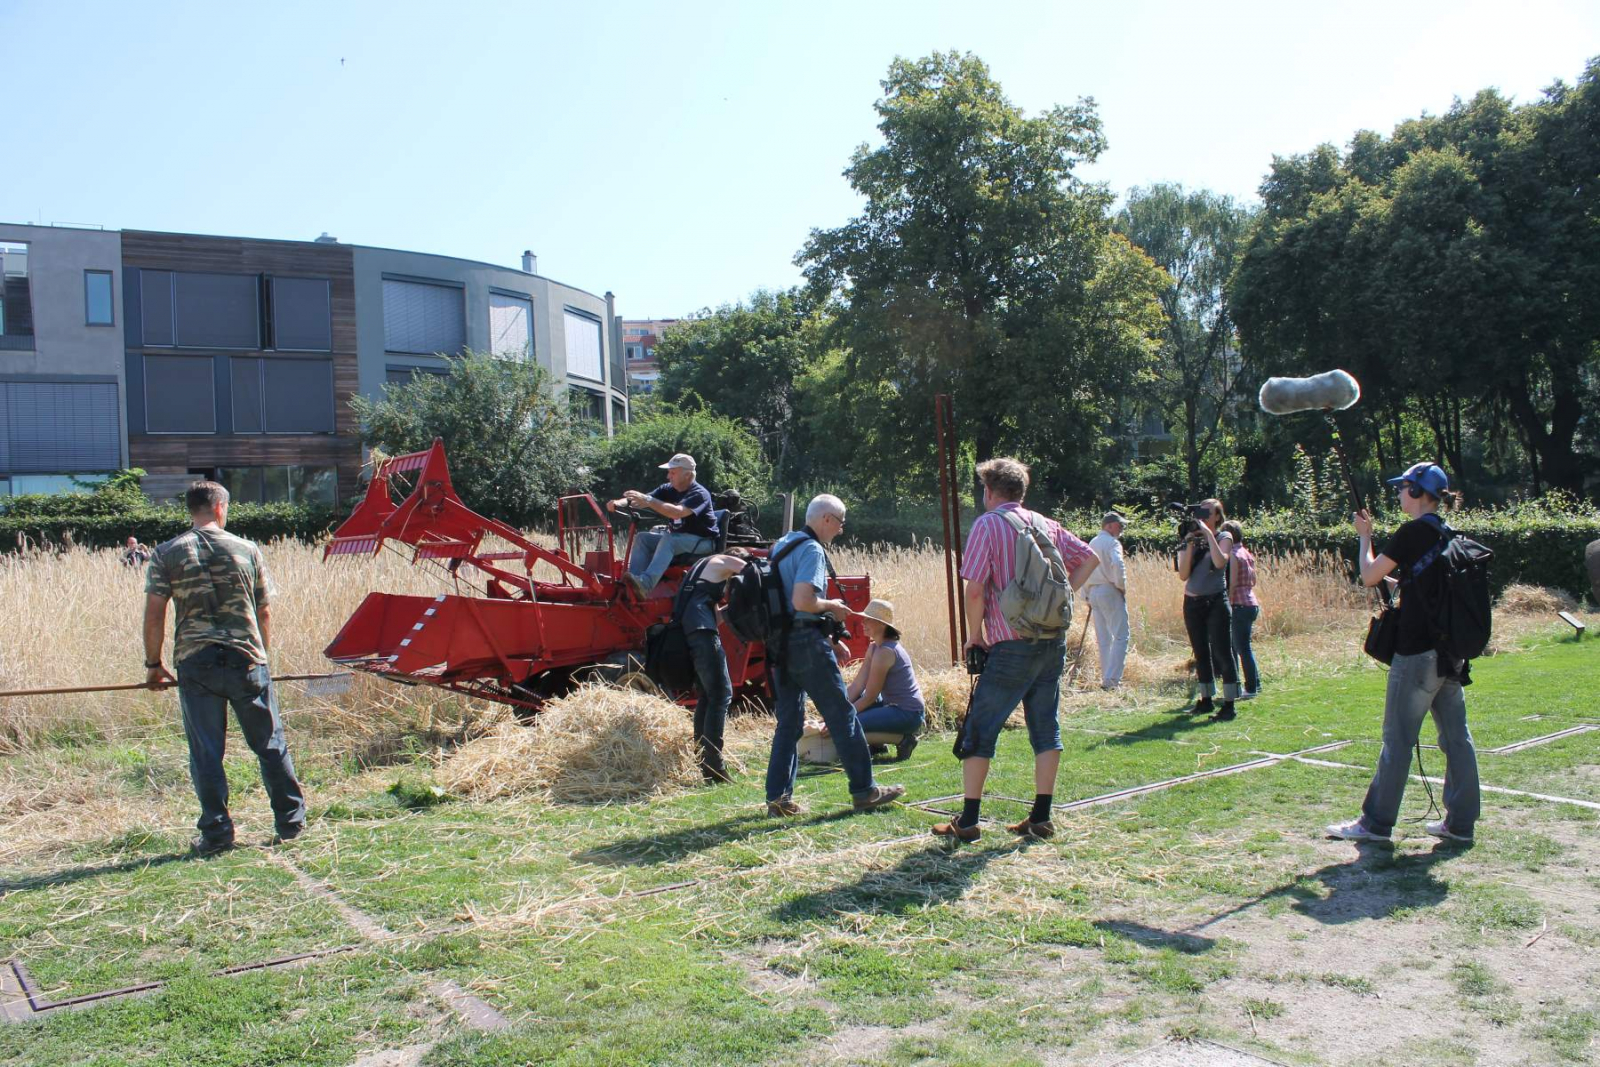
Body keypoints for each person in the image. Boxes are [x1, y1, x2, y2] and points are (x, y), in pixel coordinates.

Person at [934, 458, 1098, 843]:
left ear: (989, 491)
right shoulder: (1045, 524)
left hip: (1009, 643)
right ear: (1021, 491)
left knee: (980, 728)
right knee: (1046, 727)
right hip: (1051, 640)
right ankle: (1041, 817)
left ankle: (969, 821)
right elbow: (1090, 558)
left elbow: (974, 589)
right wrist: (1058, 601)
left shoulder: (988, 524)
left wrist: (975, 635)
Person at [142, 481, 306, 854]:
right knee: (269, 744)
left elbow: (155, 613)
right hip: (245, 659)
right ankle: (291, 823)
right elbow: (264, 609)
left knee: (206, 751)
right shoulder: (247, 549)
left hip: (196, 663)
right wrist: (261, 655)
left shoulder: (166, 552)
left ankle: (217, 834)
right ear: (219, 507)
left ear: (192, 509)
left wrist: (154, 664)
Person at [1327, 462, 1480, 844]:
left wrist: (1365, 538)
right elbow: (1420, 582)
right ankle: (1460, 823)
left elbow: (1368, 576)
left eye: (1403, 488)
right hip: (1449, 655)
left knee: (1397, 739)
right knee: (1456, 738)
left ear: (1416, 492)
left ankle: (1375, 823)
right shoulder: (1445, 532)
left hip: (1416, 654)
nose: (1398, 494)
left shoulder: (1411, 532)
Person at [765, 494, 905, 817]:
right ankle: (865, 791)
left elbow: (786, 607)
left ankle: (778, 799)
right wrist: (834, 607)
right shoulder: (812, 549)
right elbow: (803, 601)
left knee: (788, 723)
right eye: (840, 523)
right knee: (842, 715)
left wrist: (826, 635)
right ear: (826, 519)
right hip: (805, 646)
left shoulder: (782, 544)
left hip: (780, 646)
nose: (840, 531)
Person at [672, 548, 751, 783]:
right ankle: (714, 766)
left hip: (691, 631)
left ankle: (702, 759)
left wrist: (730, 608)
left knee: (707, 695)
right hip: (702, 633)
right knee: (721, 694)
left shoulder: (702, 571)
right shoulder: (723, 560)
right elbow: (751, 571)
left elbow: (716, 617)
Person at [606, 453, 720, 597]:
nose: (668, 476)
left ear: (687, 475)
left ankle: (646, 584)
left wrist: (648, 500)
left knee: (669, 539)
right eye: (669, 472)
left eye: (673, 473)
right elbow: (641, 500)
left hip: (702, 542)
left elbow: (677, 513)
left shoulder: (699, 494)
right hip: (680, 539)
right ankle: (633, 585)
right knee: (643, 538)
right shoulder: (669, 489)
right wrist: (618, 503)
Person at [836, 599, 925, 761]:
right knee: (847, 720)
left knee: (850, 726)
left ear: (882, 625)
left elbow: (869, 697)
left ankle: (904, 740)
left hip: (908, 714)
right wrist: (836, 711)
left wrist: (843, 718)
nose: (863, 622)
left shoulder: (885, 652)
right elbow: (857, 686)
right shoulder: (874, 648)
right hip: (895, 708)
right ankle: (878, 745)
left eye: (868, 619)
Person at [1176, 499, 1239, 721]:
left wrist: (1207, 534)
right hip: (1192, 602)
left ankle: (1229, 704)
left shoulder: (1224, 537)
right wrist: (1190, 542)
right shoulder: (1189, 538)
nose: (1202, 517)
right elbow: (1183, 575)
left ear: (1217, 517)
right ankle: (1205, 700)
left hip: (1215, 601)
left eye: (1207, 513)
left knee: (1222, 652)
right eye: (1199, 512)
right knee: (1200, 652)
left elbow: (1220, 561)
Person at [1083, 511, 1130, 690]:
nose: (1122, 528)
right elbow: (1118, 564)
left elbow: (1084, 567)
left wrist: (1086, 594)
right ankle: (1112, 681)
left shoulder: (1092, 542)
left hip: (1094, 592)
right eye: (1119, 525)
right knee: (1121, 636)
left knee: (1104, 639)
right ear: (1109, 526)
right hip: (1109, 589)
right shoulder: (1112, 543)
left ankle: (1106, 678)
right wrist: (1121, 586)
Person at [1222, 520, 1261, 699]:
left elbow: (1232, 582)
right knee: (1243, 647)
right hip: (1251, 602)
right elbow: (1252, 580)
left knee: (1241, 647)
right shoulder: (1246, 552)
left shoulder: (1232, 554)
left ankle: (1251, 688)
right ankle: (1255, 684)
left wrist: (1227, 603)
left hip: (1238, 603)